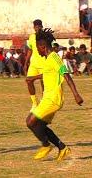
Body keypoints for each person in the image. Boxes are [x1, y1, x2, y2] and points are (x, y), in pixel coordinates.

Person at [26, 28, 83, 161]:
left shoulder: (55, 58)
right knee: (39, 125)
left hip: (53, 99)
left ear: (42, 46)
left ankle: (46, 145)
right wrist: (33, 78)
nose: (37, 51)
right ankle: (62, 148)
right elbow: (48, 73)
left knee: (30, 122)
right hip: (48, 98)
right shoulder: (47, 59)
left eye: (37, 48)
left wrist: (76, 95)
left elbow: (66, 74)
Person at [24, 19, 45, 111]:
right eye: (35, 27)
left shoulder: (46, 36)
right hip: (34, 64)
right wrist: (26, 62)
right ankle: (35, 103)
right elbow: (30, 50)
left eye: (39, 26)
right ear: (34, 27)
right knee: (29, 81)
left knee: (44, 83)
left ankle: (44, 101)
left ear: (41, 26)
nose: (37, 28)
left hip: (44, 63)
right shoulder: (32, 37)